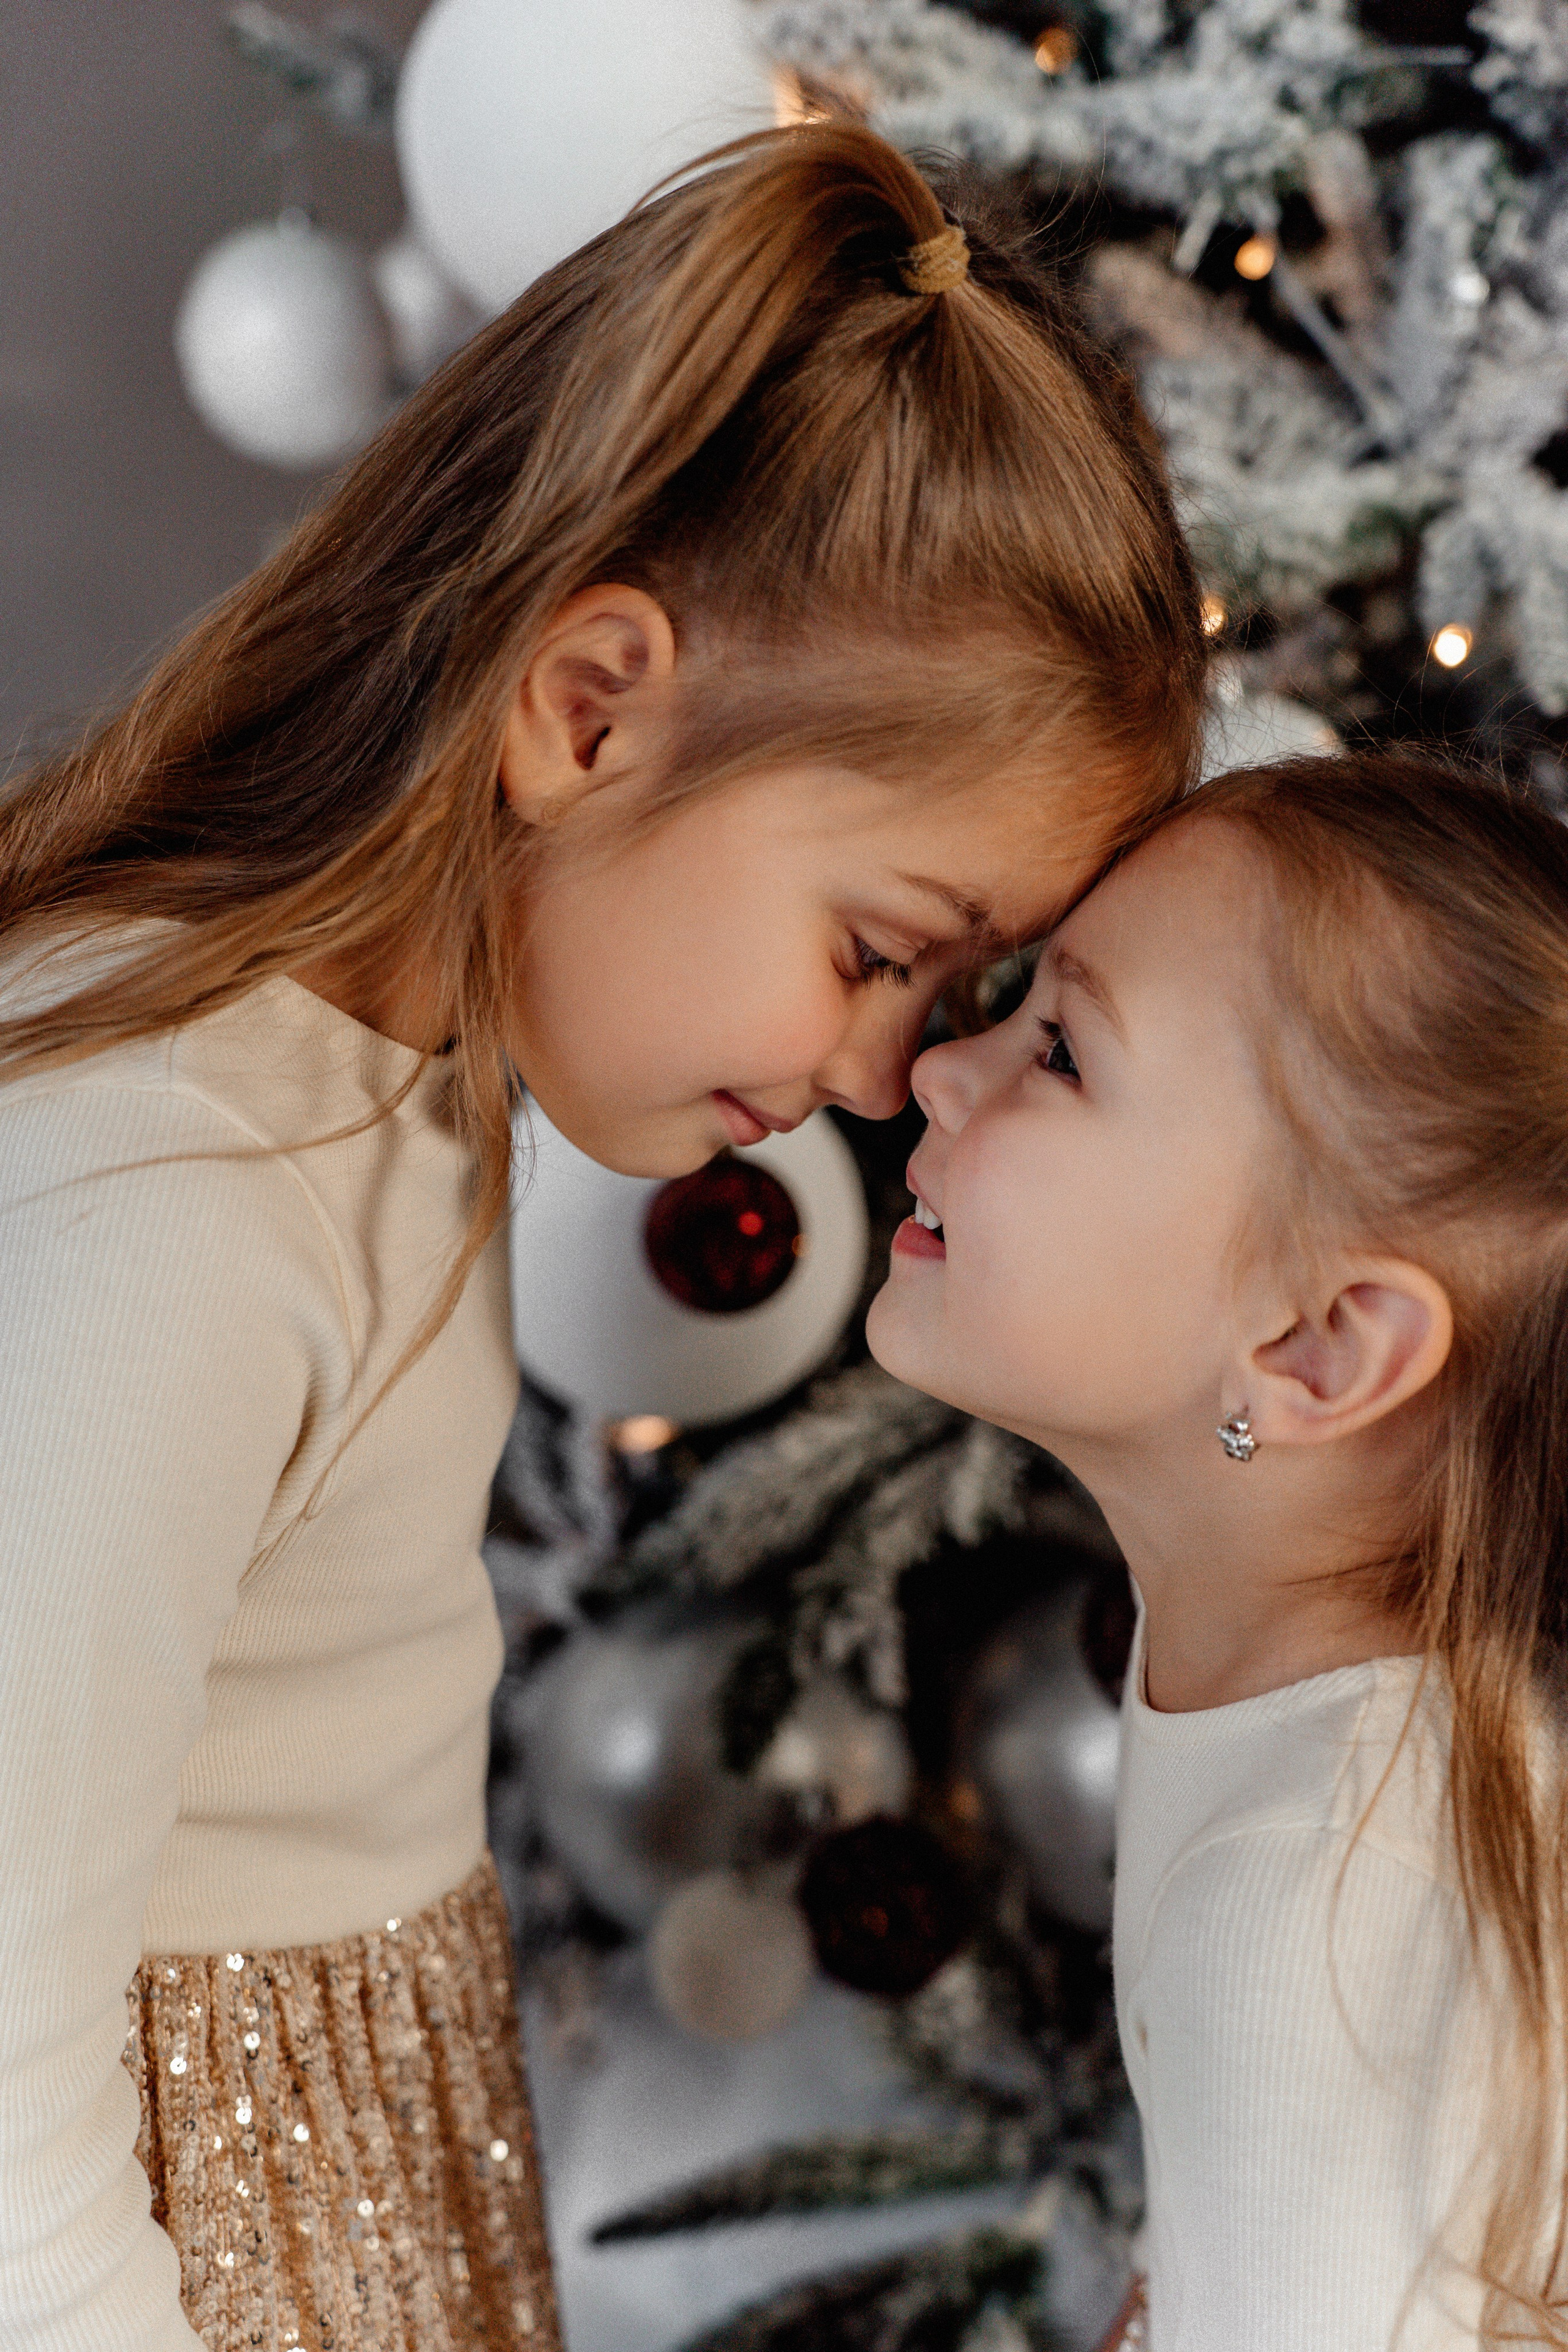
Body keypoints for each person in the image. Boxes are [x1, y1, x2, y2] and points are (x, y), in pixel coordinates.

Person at [0, 122, 1206, 2352]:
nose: (877, 1082)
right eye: (883, 950)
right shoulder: (179, 1193)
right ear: (588, 709)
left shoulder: (392, 1082)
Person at [869, 747, 1568, 2350]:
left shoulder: (1309, 1902)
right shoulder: (1320, 1731)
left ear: (1319, 1349)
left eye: (1058, 1053)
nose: (941, 1071)